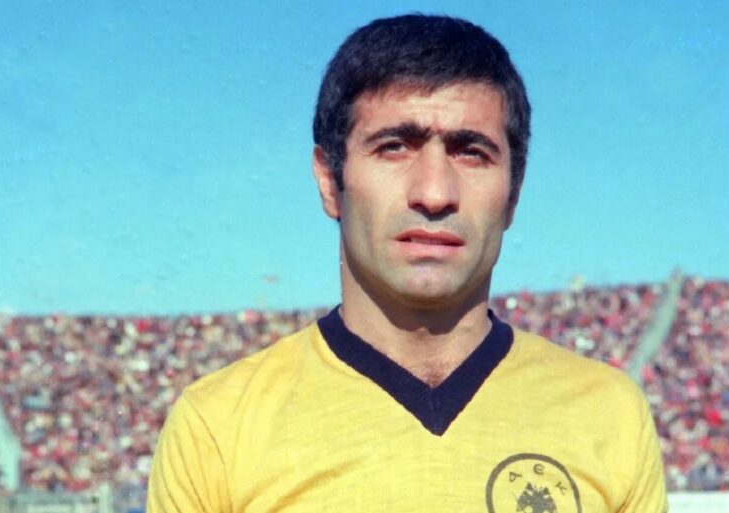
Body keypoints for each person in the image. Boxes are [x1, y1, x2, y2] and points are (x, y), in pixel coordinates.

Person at [147, 14, 668, 513]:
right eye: (394, 147)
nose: (435, 193)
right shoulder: (216, 427)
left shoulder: (609, 414)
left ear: (513, 195)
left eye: (472, 152)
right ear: (330, 182)